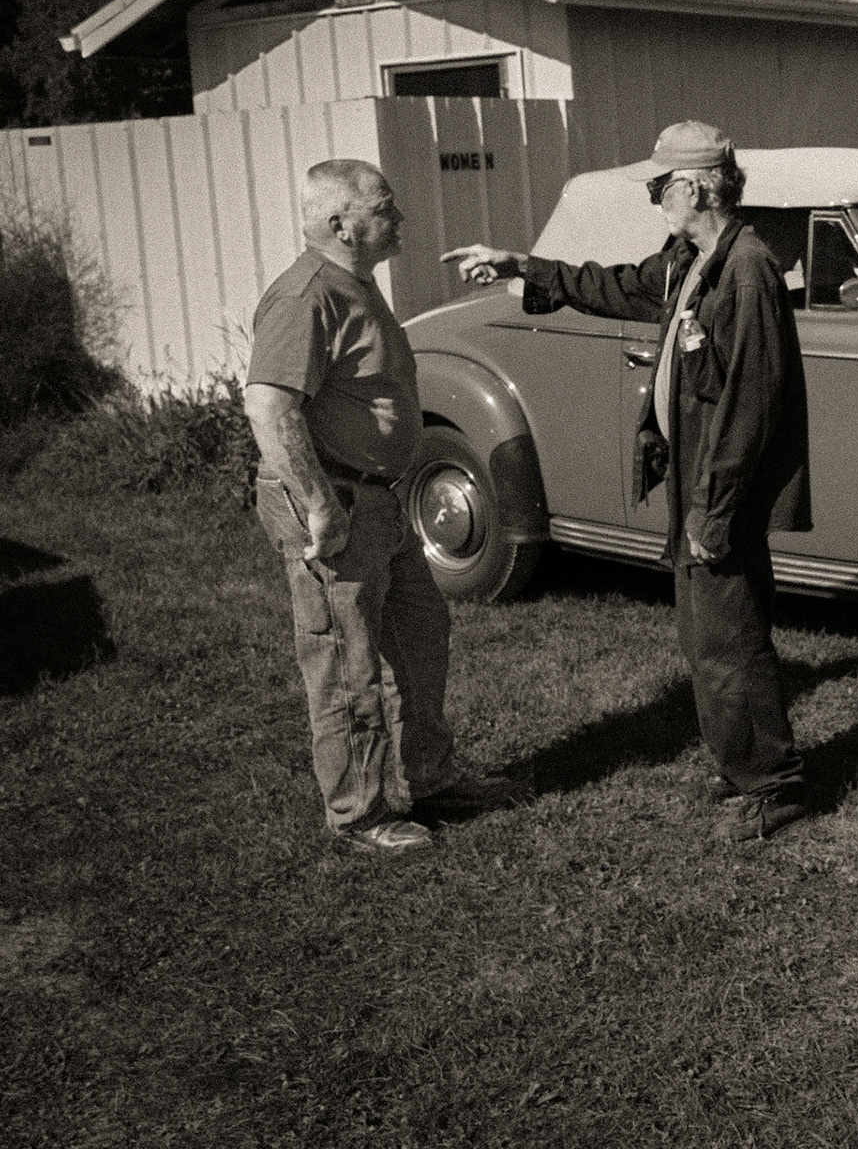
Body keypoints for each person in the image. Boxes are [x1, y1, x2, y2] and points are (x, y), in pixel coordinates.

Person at [441, 120, 814, 843]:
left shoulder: (747, 270)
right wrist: (521, 265)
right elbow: (617, 287)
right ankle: (740, 766)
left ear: (696, 187)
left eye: (658, 187)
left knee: (730, 638)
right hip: (697, 483)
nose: (653, 201)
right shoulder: (691, 259)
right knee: (706, 636)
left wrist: (715, 511)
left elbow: (752, 408)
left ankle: (774, 785)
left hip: (717, 490)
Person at [246, 159, 515, 853]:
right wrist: (319, 507)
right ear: (342, 224)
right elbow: (270, 407)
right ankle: (359, 814)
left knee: (419, 645)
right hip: (334, 503)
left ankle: (431, 781)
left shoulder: (355, 285)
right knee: (346, 663)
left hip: (379, 501)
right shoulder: (306, 297)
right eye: (385, 208)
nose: (400, 219)